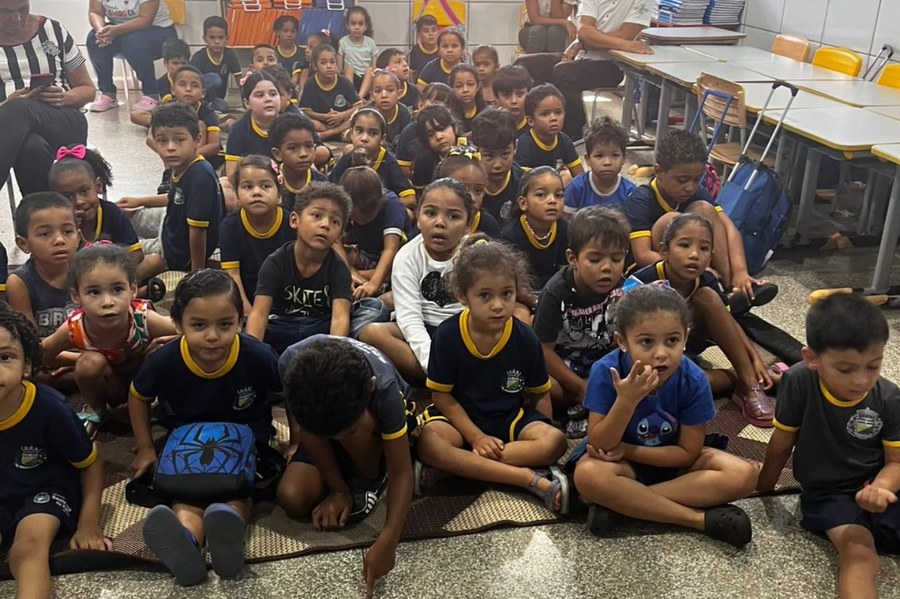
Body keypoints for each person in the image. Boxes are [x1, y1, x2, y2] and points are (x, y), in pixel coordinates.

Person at [573, 283, 758, 546]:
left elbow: (688, 453)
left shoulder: (694, 380)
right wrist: (626, 401)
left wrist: (629, 450)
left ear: (686, 338)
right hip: (621, 466)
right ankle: (696, 520)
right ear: (623, 342)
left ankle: (624, 505)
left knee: (744, 475)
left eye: (672, 340)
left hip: (673, 463)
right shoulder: (607, 371)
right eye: (646, 342)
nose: (661, 354)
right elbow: (600, 444)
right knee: (588, 474)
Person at [129, 270, 282, 586]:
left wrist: (297, 442)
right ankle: (186, 540)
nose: (213, 336)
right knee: (187, 490)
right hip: (187, 443)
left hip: (248, 439)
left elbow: (290, 392)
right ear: (177, 323)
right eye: (199, 325)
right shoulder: (164, 360)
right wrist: (145, 448)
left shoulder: (257, 355)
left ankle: (227, 537)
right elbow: (137, 396)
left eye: (225, 324)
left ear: (240, 321)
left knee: (238, 489)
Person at [758, 294, 900, 599]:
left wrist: (881, 488)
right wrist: (763, 490)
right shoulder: (798, 381)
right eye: (846, 369)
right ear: (811, 358)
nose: (861, 380)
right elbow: (781, 443)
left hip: (881, 486)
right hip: (830, 495)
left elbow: (896, 462)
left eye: (873, 366)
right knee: (859, 555)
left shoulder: (889, 397)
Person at [417, 237, 570, 512]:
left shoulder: (526, 338)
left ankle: (460, 466)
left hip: (508, 420)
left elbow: (540, 395)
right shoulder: (447, 335)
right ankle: (524, 478)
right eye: (485, 296)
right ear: (463, 296)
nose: (498, 305)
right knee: (429, 442)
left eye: (507, 294)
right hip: (459, 421)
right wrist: (476, 437)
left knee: (555, 441)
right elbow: (441, 396)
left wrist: (543, 438)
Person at [277, 335, 416, 595]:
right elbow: (297, 412)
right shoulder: (290, 362)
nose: (337, 438)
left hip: (372, 428)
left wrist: (389, 539)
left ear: (369, 387)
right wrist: (337, 490)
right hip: (325, 422)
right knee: (292, 497)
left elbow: (402, 472)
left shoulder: (384, 388)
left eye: (342, 433)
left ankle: (370, 478)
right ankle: (344, 476)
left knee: (358, 429)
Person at [0, 302, 111, 599]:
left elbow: (91, 462)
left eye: (4, 357)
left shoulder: (49, 409)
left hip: (44, 491)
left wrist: (88, 524)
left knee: (28, 547)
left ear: (27, 365)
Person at [632, 213, 776, 427]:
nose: (694, 255)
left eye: (704, 248)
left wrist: (754, 359)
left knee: (708, 297)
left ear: (711, 257)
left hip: (686, 348)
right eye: (684, 245)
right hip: (650, 361)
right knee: (691, 385)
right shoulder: (640, 282)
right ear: (664, 251)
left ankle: (750, 384)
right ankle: (737, 379)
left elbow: (728, 323)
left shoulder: (706, 281)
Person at [623, 130, 777, 310]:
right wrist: (699, 270)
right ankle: (719, 290)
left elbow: (729, 228)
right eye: (682, 180)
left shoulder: (696, 193)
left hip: (690, 266)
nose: (690, 187)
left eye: (697, 180)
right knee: (674, 220)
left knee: (705, 209)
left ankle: (733, 287)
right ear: (659, 172)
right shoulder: (641, 200)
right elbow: (643, 255)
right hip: (648, 273)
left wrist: (741, 272)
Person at [41, 243, 177, 437]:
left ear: (133, 290)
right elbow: (41, 355)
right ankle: (97, 409)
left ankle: (160, 404)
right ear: (76, 296)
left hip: (142, 382)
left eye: (117, 289)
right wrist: (76, 361)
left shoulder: (142, 318)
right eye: (94, 292)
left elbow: (186, 329)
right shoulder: (75, 327)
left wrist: (163, 344)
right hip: (110, 386)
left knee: (161, 351)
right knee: (88, 364)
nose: (107, 302)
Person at [246, 182, 389, 354]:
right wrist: (254, 354)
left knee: (375, 308)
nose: (325, 225)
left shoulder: (338, 268)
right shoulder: (276, 262)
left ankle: (310, 352)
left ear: (339, 235)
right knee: (247, 327)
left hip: (322, 327)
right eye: (317, 215)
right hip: (283, 326)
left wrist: (331, 355)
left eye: (335, 221)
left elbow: (340, 318)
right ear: (294, 220)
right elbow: (260, 314)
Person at [359, 178, 471, 379]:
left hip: (463, 329)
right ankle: (444, 378)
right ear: (418, 218)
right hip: (421, 328)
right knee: (371, 333)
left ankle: (457, 375)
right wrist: (433, 365)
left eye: (453, 216)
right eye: (430, 213)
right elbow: (410, 319)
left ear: (468, 225)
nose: (440, 223)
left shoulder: (476, 253)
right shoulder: (406, 257)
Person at [533, 206, 628, 438]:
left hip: (605, 365)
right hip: (566, 369)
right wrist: (579, 386)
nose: (607, 268)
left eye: (617, 259)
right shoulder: (556, 292)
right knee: (540, 384)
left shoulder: (624, 288)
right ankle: (586, 404)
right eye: (595, 259)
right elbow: (544, 351)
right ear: (572, 258)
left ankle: (592, 405)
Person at [515, 0, 653, 139]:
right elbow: (583, 32)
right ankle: (534, 126)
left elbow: (625, 36)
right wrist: (585, 39)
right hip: (580, 56)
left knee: (564, 72)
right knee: (525, 65)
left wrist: (582, 42)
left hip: (612, 64)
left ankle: (570, 136)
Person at [0, 1, 95, 196]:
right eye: (6, 12)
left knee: (18, 109)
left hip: (63, 120)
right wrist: (6, 104)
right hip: (10, 131)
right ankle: (44, 210)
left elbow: (88, 89)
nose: (17, 18)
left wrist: (63, 97)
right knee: (31, 147)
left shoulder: (53, 30)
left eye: (22, 9)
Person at [140, 103, 224, 278]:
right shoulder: (182, 163)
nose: (170, 147)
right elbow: (174, 197)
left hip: (173, 252)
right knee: (123, 213)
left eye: (179, 139)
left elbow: (198, 232)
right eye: (162, 141)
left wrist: (196, 274)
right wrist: (137, 201)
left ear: (197, 140)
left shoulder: (200, 176)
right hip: (169, 224)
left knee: (121, 247)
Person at [220, 156, 295, 315]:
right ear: (237, 196)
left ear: (279, 195)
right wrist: (251, 315)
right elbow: (233, 276)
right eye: (247, 186)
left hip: (288, 303)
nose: (256, 192)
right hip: (247, 301)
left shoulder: (292, 224)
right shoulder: (230, 227)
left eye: (265, 186)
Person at [48, 145, 142, 260]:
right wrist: (71, 230)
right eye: (67, 197)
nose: (79, 201)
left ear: (98, 186)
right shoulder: (56, 222)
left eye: (84, 191)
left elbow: (136, 254)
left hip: (113, 268)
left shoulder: (111, 212)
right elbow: (53, 262)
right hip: (73, 270)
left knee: (153, 262)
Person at [7, 192, 79, 338]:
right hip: (44, 350)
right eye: (45, 234)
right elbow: (29, 341)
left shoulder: (87, 271)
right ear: (23, 244)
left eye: (67, 231)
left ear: (78, 237)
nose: (59, 240)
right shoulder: (19, 283)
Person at [86, 0, 177, 112]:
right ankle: (107, 93)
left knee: (133, 40)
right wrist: (101, 31)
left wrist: (116, 31)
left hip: (158, 30)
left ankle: (151, 93)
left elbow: (146, 20)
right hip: (120, 31)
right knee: (93, 39)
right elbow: (95, 12)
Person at [337, 166, 410, 301]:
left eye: (367, 214)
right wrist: (350, 271)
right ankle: (356, 275)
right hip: (365, 255)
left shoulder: (392, 206)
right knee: (328, 253)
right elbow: (335, 240)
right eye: (354, 215)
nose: (360, 219)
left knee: (398, 271)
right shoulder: (345, 207)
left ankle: (371, 278)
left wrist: (373, 284)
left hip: (392, 261)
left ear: (378, 204)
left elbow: (390, 249)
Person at [328, 109, 416, 206]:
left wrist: (376, 205)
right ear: (351, 134)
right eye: (359, 131)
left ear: (382, 139)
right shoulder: (347, 158)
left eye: (373, 133)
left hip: (379, 210)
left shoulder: (388, 162)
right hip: (351, 210)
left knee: (408, 212)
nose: (364, 138)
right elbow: (329, 188)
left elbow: (410, 199)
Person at [501, 166, 568, 291]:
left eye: (559, 195)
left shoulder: (566, 230)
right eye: (541, 195)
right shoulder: (511, 236)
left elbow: (567, 274)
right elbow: (512, 282)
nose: (552, 201)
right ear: (523, 203)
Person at [564, 116, 634, 214]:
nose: (607, 162)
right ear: (588, 159)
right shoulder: (576, 188)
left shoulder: (630, 192)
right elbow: (566, 220)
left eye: (615, 155)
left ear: (624, 158)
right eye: (599, 156)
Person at [472, 107, 528, 225]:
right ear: (476, 151)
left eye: (505, 154)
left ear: (515, 147)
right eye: (488, 156)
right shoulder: (467, 185)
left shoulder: (525, 185)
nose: (497, 165)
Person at [515, 84, 583, 178]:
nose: (553, 118)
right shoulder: (525, 143)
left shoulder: (564, 140)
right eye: (545, 114)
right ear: (530, 121)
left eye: (558, 112)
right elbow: (523, 180)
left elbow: (580, 176)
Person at [224, 71, 282, 179]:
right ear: (247, 103)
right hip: (252, 182)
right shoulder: (239, 130)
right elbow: (232, 174)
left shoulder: (291, 125)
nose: (268, 99)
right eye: (260, 95)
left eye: (273, 94)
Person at [395, 84, 454, 189]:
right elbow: (404, 171)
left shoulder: (465, 148)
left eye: (447, 105)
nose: (439, 136)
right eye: (430, 134)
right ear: (421, 105)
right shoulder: (424, 158)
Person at [299, 44, 362, 141]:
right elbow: (306, 110)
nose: (329, 66)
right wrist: (325, 117)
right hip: (321, 124)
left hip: (341, 123)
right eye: (323, 63)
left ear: (336, 64)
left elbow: (358, 106)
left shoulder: (344, 82)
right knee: (305, 121)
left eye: (332, 62)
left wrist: (341, 115)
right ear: (315, 66)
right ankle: (333, 133)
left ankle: (327, 134)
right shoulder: (310, 83)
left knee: (356, 118)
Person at [437, 146, 501, 238]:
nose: (472, 198)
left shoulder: (488, 225)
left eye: (478, 191)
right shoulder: (432, 221)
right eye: (462, 189)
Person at [269, 112, 329, 210]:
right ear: (277, 154)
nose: (303, 154)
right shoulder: (271, 182)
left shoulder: (322, 183)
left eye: (308, 146)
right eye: (293, 148)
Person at [190, 15, 241, 114]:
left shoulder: (230, 54)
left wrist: (247, 102)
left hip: (215, 99)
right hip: (198, 97)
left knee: (223, 107)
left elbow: (240, 81)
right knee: (215, 79)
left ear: (227, 38)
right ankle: (199, 106)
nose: (217, 42)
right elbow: (192, 83)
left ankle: (208, 108)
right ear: (205, 38)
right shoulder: (198, 57)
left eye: (221, 37)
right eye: (212, 37)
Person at [369, 68, 413, 151]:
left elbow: (407, 140)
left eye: (390, 90)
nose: (384, 95)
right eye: (378, 91)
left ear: (399, 94)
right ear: (372, 96)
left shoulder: (404, 113)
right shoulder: (367, 113)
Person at [340, 6, 378, 98]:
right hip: (349, 78)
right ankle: (352, 95)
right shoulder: (343, 42)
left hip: (366, 79)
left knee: (370, 70)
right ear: (347, 25)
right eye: (353, 24)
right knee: (349, 68)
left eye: (360, 24)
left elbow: (374, 67)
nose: (357, 27)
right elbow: (339, 67)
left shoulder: (370, 42)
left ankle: (359, 98)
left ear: (366, 26)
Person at [492, 65, 534, 138]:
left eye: (520, 94)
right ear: (497, 97)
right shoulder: (490, 125)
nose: (514, 101)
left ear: (529, 93)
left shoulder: (538, 125)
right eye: (506, 95)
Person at [448, 64, 485, 135]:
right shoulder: (448, 115)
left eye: (470, 84)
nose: (465, 90)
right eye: (459, 86)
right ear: (452, 89)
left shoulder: (487, 113)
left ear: (478, 86)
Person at [272, 15, 304, 88]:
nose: (289, 35)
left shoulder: (303, 54)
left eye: (293, 31)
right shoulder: (271, 54)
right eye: (285, 31)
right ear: (277, 32)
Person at [408, 14, 439, 79]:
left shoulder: (442, 49)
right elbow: (413, 74)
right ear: (419, 34)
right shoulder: (415, 51)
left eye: (434, 30)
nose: (431, 34)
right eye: (426, 31)